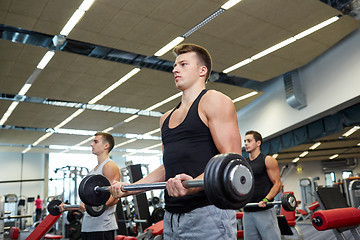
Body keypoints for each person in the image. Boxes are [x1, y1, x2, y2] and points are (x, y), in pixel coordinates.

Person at [109, 43, 242, 240]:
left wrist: (193, 184)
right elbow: (167, 167)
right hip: (171, 216)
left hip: (208, 213)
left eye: (183, 64)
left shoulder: (214, 100)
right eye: (175, 65)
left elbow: (232, 161)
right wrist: (131, 188)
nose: (175, 69)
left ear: (202, 70)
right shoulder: (166, 118)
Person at [242, 130, 282, 240]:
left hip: (264, 210)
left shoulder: (267, 160)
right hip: (248, 211)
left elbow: (277, 184)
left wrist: (266, 199)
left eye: (249, 141)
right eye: (245, 141)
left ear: (258, 143)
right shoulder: (243, 163)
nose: (246, 143)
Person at [80, 132, 120, 240]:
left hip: (102, 227)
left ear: (106, 146)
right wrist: (84, 203)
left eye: (95, 141)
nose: (91, 144)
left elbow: (115, 196)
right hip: (88, 226)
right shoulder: (93, 170)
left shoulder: (109, 166)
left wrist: (93, 207)